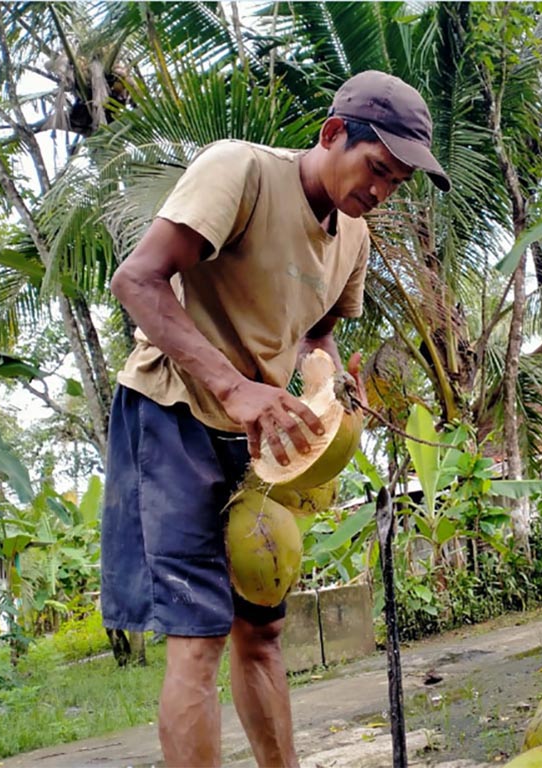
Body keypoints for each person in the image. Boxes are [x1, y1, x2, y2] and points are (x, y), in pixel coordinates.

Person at [101, 70, 450, 768]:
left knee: (262, 632)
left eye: (397, 183)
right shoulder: (242, 173)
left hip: (256, 437)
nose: (380, 191)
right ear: (331, 135)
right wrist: (234, 388)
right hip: (172, 414)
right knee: (198, 638)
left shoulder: (354, 237)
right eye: (376, 167)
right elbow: (135, 281)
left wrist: (327, 387)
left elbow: (317, 334)